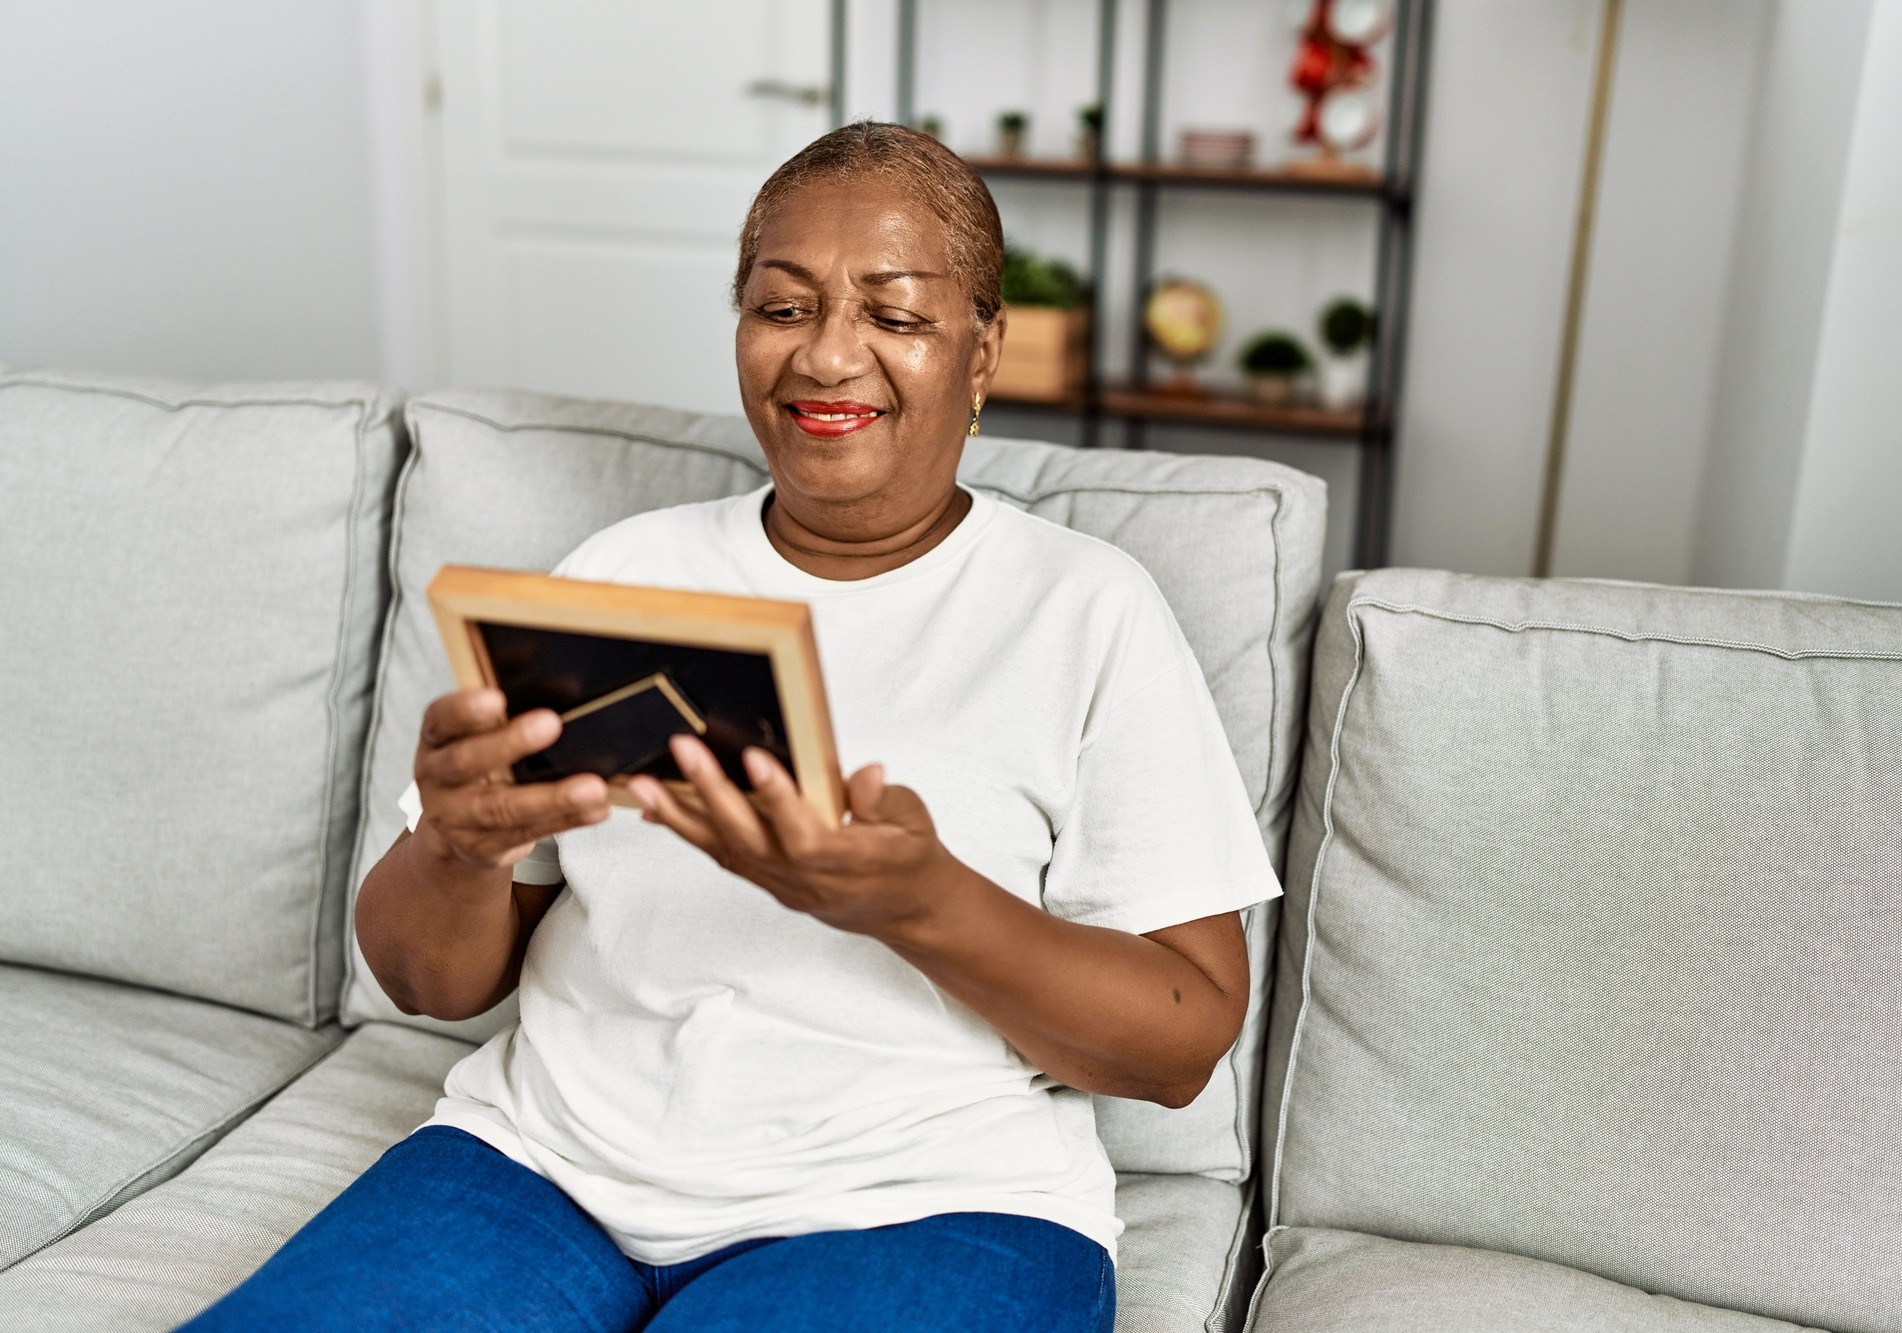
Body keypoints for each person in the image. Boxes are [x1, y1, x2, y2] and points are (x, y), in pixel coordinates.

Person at [185, 121, 1279, 1333]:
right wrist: (451, 844)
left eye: (896, 316)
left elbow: (1179, 1043)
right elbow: (430, 979)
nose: (826, 356)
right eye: (780, 306)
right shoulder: (627, 575)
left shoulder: (1085, 607)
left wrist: (919, 905)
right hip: (538, 1171)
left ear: (982, 350)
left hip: (928, 1204)